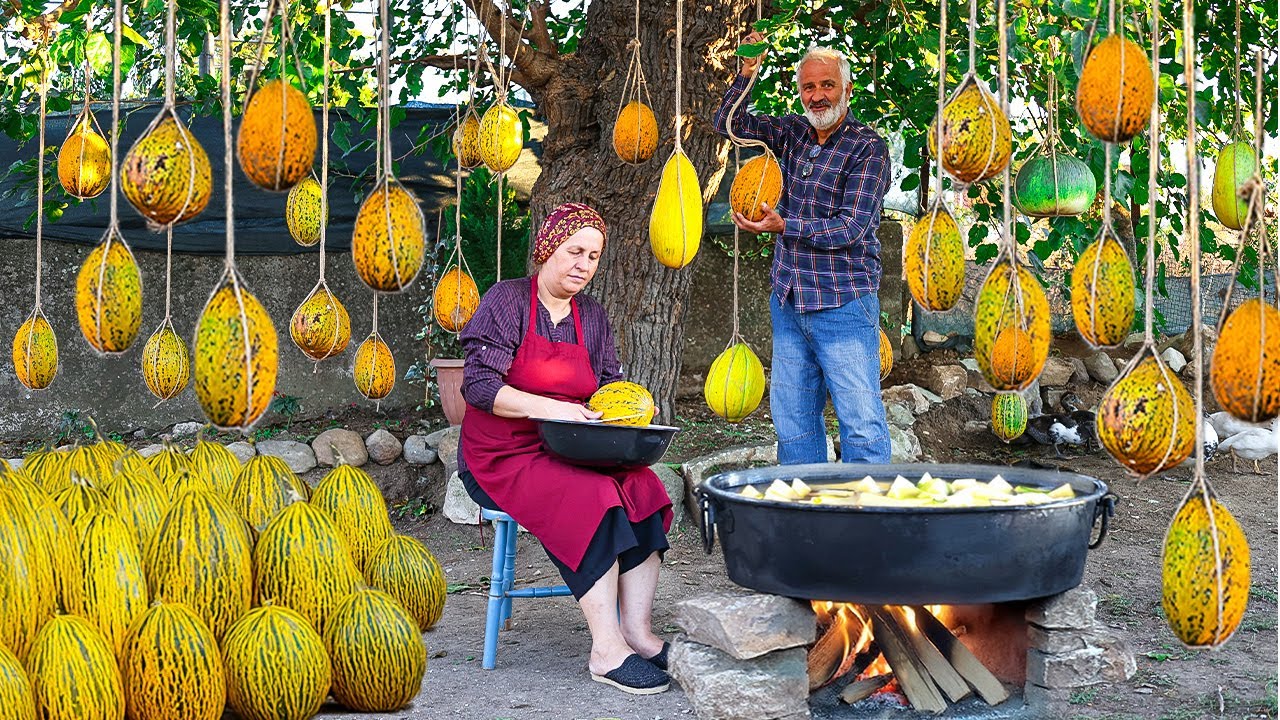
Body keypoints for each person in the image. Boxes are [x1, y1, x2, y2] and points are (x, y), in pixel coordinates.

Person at [457, 202, 674, 695]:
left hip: (571, 446)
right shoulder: (507, 300)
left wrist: (629, 420)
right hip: (502, 456)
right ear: (548, 249)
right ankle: (605, 649)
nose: (583, 264)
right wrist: (553, 409)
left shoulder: (591, 315)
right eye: (575, 251)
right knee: (593, 499)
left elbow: (608, 385)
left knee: (645, 487)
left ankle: (638, 634)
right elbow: (478, 386)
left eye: (593, 257)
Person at [713, 37, 892, 465]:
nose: (817, 96)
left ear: (847, 90)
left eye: (827, 85)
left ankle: (870, 521)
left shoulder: (868, 148)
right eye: (809, 87)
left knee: (861, 423)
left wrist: (784, 225)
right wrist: (747, 73)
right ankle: (805, 518)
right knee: (793, 423)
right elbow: (728, 125)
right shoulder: (791, 132)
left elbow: (853, 227)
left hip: (843, 305)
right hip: (790, 301)